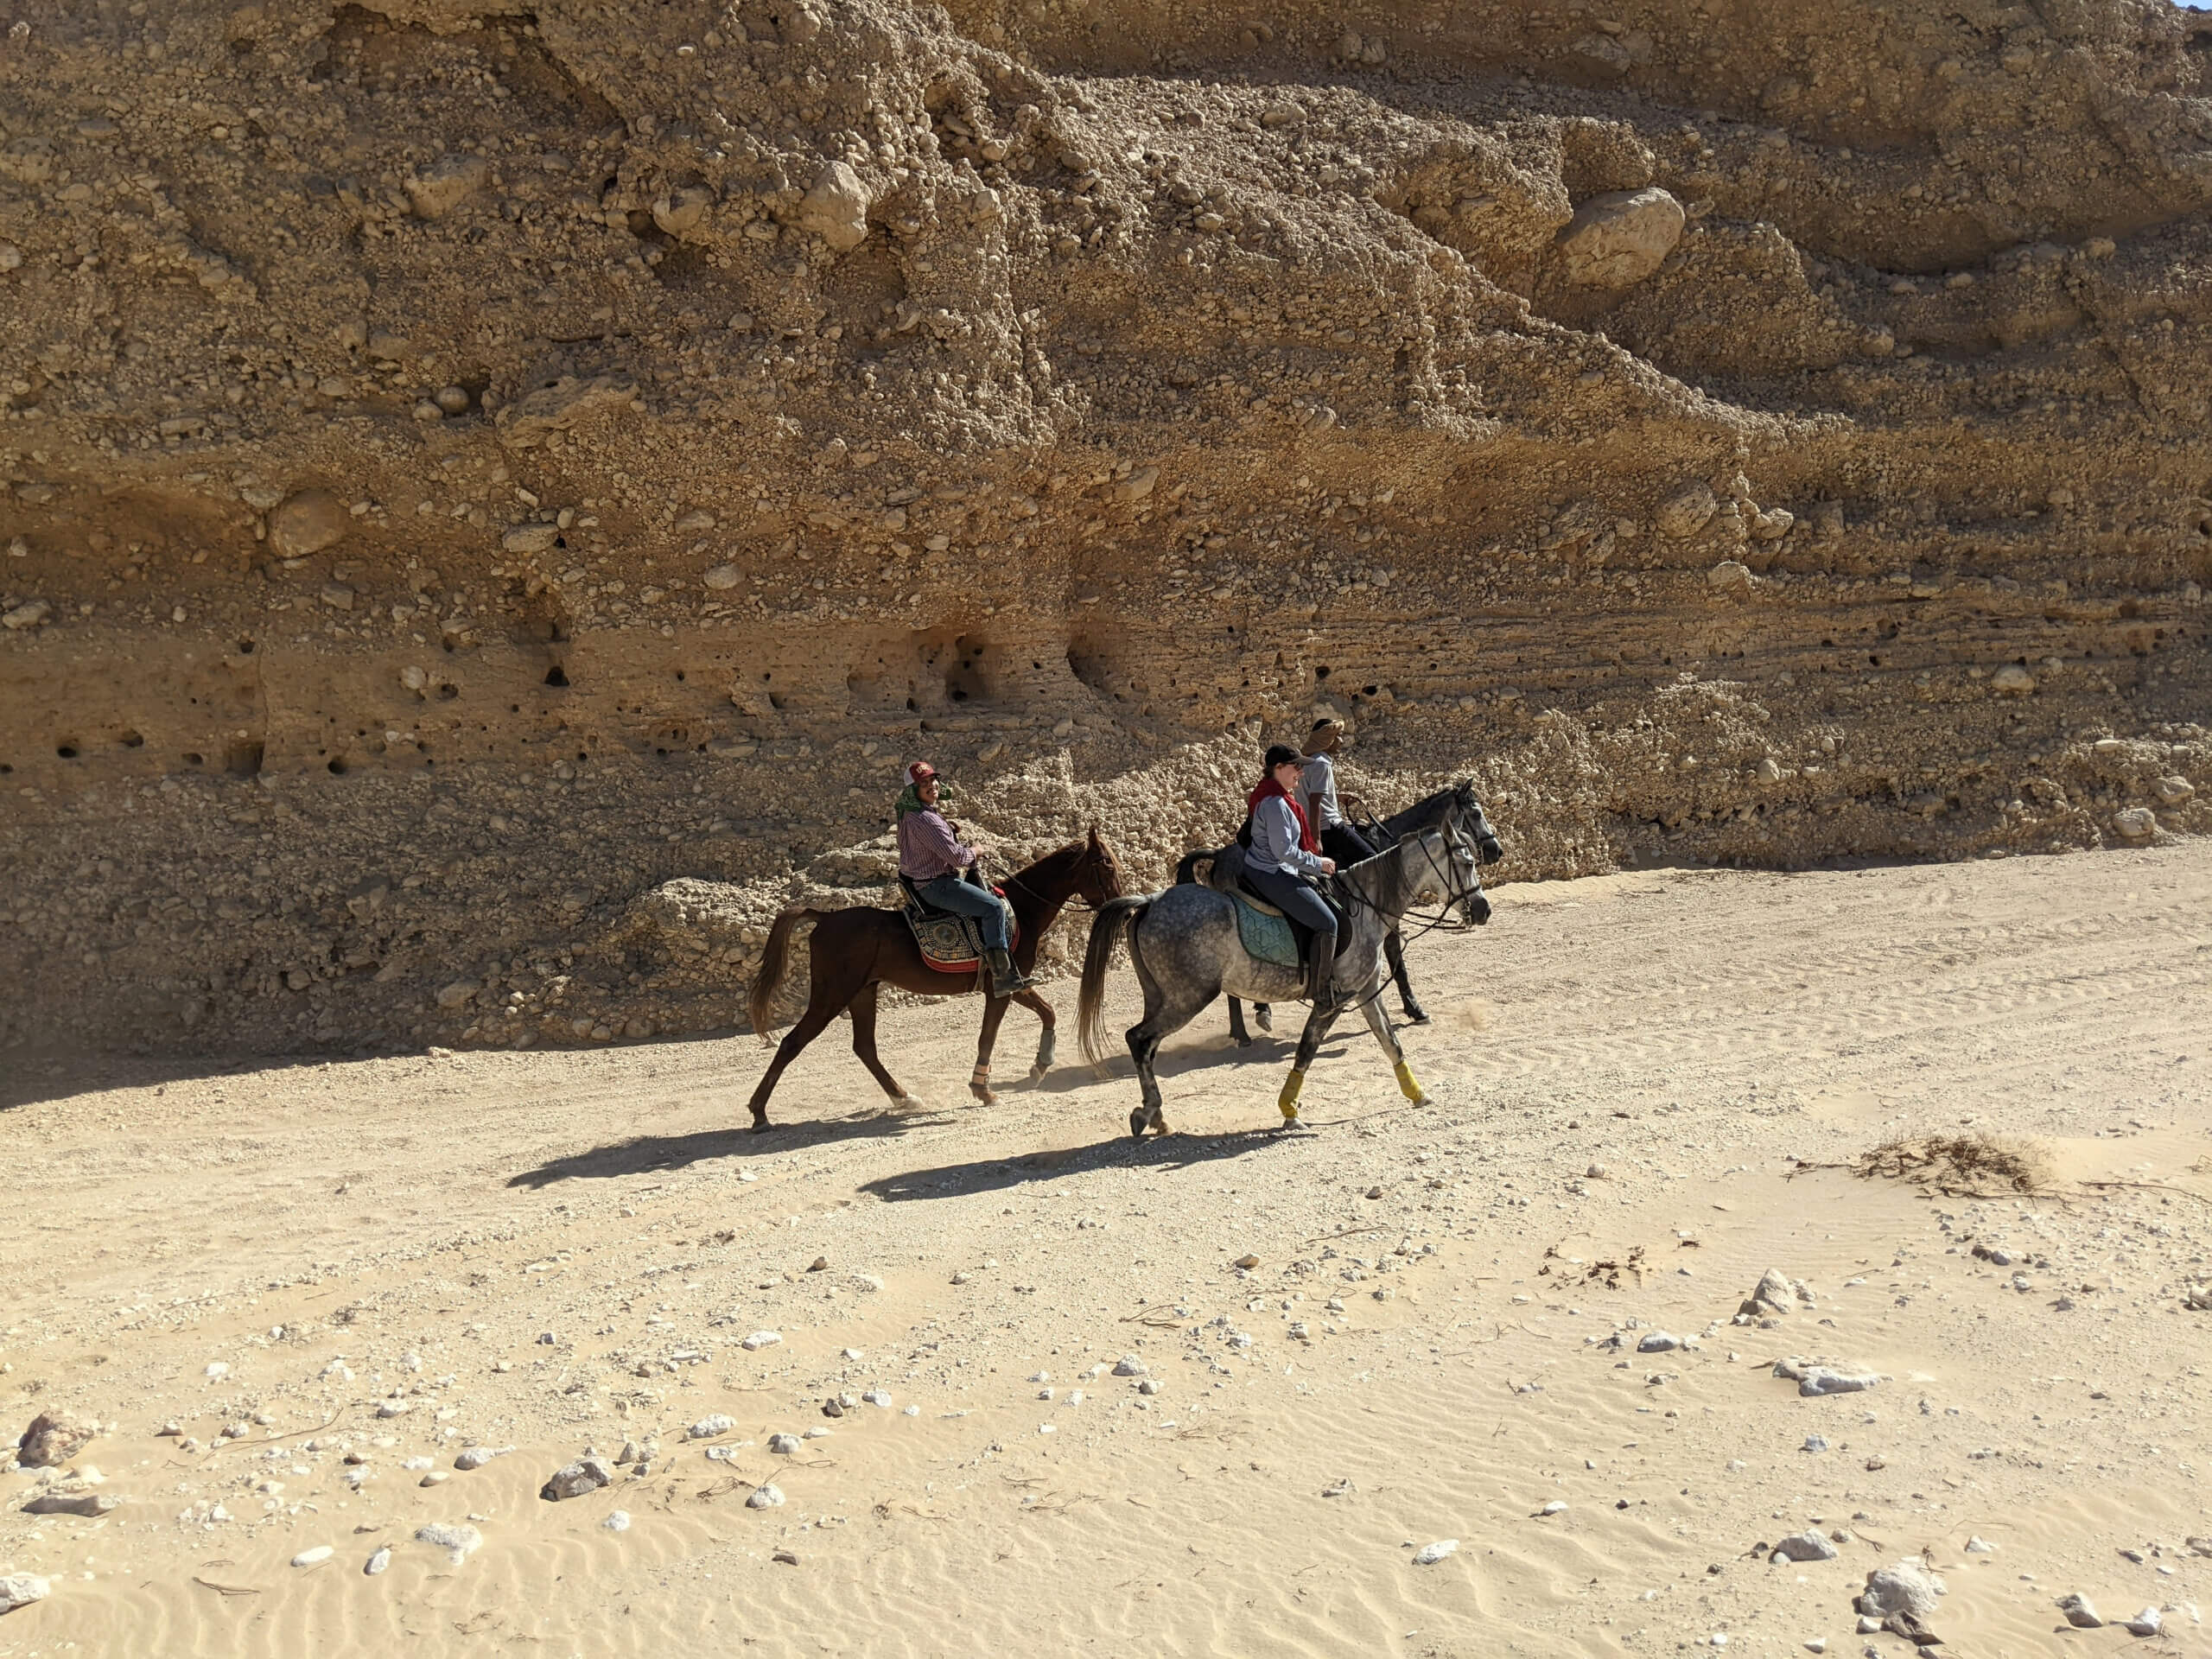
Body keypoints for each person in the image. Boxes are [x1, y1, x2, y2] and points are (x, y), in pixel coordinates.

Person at [1300, 718, 1429, 1024]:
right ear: (1327, 739)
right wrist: (1318, 836)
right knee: (1379, 859)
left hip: (1324, 822)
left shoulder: (1309, 761)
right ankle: (1384, 909)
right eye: (1338, 737)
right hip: (1331, 828)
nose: (1342, 742)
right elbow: (1315, 802)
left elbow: (1316, 795)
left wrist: (1340, 797)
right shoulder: (1322, 763)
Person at [895, 761, 1032, 997]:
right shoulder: (926, 819)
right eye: (924, 784)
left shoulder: (913, 813)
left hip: (923, 881)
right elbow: (958, 858)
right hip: (938, 885)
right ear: (913, 791)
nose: (932, 786)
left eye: (933, 780)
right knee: (993, 907)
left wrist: (947, 831)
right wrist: (976, 851)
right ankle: (1003, 978)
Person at [1241, 742, 1340, 1014]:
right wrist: (1318, 864)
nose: (1301, 773)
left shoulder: (1280, 798)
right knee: (1328, 922)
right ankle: (1321, 995)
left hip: (1275, 867)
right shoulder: (1276, 804)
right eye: (1296, 767)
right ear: (1279, 768)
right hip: (1272, 872)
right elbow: (1283, 851)